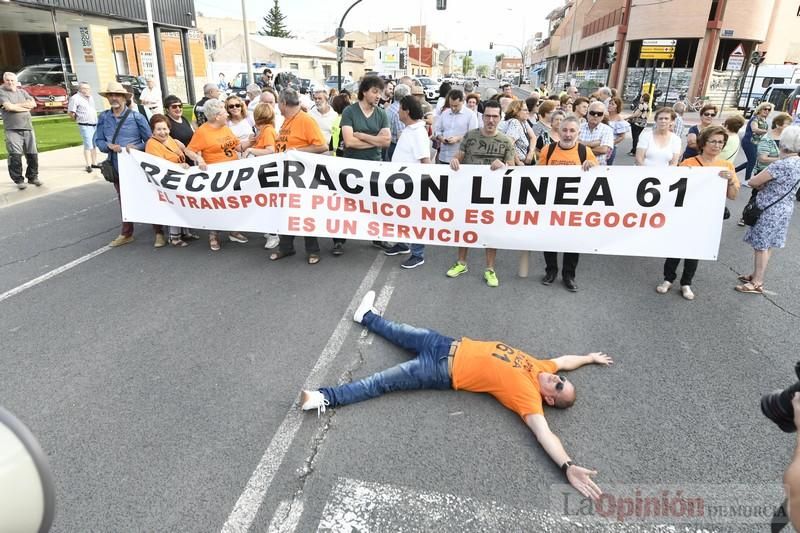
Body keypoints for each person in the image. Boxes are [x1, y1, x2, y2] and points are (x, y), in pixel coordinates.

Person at [300, 290, 612, 502]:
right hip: (445, 343)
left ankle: (324, 398)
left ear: (549, 399)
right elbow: (565, 361)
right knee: (398, 330)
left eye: (558, 386)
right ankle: (366, 317)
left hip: (439, 369)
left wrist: (567, 465)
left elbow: (546, 435)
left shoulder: (528, 397)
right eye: (561, 379)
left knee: (379, 383)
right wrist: (588, 357)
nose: (556, 378)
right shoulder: (541, 367)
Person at [656, 126, 739, 300]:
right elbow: (675, 188)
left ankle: (686, 283)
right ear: (703, 143)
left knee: (695, 250)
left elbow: (733, 196)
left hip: (708, 216)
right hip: (686, 214)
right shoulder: (689, 163)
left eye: (720, 142)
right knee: (676, 248)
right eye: (713, 141)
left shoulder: (726, 166)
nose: (717, 145)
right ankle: (668, 279)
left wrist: (731, 180)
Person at [446, 100, 516, 287]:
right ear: (482, 117)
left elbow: (513, 169)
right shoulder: (470, 136)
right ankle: (461, 263)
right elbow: (458, 157)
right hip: (468, 192)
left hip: (493, 195)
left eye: (495, 116)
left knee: (491, 231)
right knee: (465, 227)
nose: (491, 120)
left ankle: (490, 269)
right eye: (488, 116)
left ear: (500, 118)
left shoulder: (505, 141)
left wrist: (503, 165)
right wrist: (454, 161)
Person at [736, 126, 800, 294]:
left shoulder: (781, 165)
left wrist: (763, 184)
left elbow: (753, 181)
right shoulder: (798, 163)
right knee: (768, 245)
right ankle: (756, 275)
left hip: (768, 209)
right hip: (785, 207)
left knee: (761, 246)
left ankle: (757, 282)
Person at [270, 88, 328, 264]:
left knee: (304, 212)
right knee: (285, 211)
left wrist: (297, 152)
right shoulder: (286, 121)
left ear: (283, 103)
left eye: (278, 103)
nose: (277, 107)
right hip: (285, 175)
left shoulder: (305, 120)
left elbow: (322, 146)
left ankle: (313, 250)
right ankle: (286, 247)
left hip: (301, 176)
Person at [539, 116, 598, 291]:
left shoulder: (585, 152)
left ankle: (569, 275)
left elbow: (597, 178)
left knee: (572, 241)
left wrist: (592, 165)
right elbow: (536, 176)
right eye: (564, 130)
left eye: (572, 130)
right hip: (551, 204)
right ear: (558, 131)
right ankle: (551, 271)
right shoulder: (547, 150)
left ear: (578, 132)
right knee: (549, 239)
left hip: (575, 205)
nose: (568, 134)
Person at [184, 98, 249, 251]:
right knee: (216, 205)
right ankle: (213, 234)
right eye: (224, 112)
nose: (228, 114)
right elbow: (189, 150)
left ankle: (233, 231)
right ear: (216, 116)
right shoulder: (203, 132)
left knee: (233, 203)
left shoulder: (225, 128)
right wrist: (199, 158)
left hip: (232, 172)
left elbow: (237, 147)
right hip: (215, 176)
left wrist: (252, 142)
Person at [94, 81, 152, 247]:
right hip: (116, 165)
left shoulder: (136, 117)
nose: (114, 98)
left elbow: (149, 140)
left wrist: (136, 147)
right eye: (111, 95)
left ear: (124, 98)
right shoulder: (104, 117)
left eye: (117, 95)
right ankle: (127, 233)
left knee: (147, 196)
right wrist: (108, 146)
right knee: (123, 199)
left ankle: (158, 231)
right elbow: (98, 140)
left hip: (135, 165)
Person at [340, 76, 393, 254]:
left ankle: (378, 236)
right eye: (375, 92)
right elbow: (349, 142)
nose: (378, 96)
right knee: (347, 204)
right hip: (352, 166)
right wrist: (375, 140)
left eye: (380, 92)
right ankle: (339, 239)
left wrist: (362, 136)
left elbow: (386, 141)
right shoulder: (349, 111)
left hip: (374, 164)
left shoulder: (381, 113)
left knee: (375, 203)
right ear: (364, 92)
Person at [382, 95, 432, 269]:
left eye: (401, 108)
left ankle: (418, 254)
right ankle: (403, 244)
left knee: (415, 219)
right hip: (401, 184)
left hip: (413, 185)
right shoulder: (410, 129)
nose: (398, 112)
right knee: (402, 216)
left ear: (407, 111)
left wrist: (427, 187)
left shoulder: (418, 132)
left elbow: (426, 161)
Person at [143, 113, 191, 247]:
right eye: (158, 129)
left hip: (178, 176)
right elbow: (159, 166)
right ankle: (174, 237)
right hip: (166, 180)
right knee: (174, 206)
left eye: (165, 129)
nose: (162, 132)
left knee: (183, 204)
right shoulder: (152, 144)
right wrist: (178, 166)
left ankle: (185, 232)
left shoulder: (170, 139)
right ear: (152, 130)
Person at [0, 72, 40, 189]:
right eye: (8, 80)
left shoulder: (22, 92)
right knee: (15, 155)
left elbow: (33, 104)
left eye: (12, 80)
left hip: (28, 127)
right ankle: (18, 180)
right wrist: (24, 106)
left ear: (16, 82)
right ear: (4, 81)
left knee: (32, 154)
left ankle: (33, 177)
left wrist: (17, 106)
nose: (10, 82)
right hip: (12, 129)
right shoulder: (2, 93)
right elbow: (9, 107)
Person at [434, 89, 479, 165]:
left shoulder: (470, 115)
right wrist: (441, 138)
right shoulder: (445, 113)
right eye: (451, 105)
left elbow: (473, 135)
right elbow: (437, 130)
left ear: (463, 102)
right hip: (444, 156)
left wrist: (458, 138)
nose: (453, 108)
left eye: (456, 106)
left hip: (461, 158)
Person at [68, 82, 99, 173]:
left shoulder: (90, 98)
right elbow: (71, 112)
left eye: (88, 88)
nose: (87, 90)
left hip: (93, 124)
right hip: (84, 124)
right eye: (85, 88)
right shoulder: (75, 98)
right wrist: (77, 119)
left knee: (93, 144)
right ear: (80, 89)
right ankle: (88, 165)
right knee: (88, 144)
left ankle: (94, 162)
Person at [737, 102, 773, 179]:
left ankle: (733, 170)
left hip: (756, 143)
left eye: (769, 110)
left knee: (752, 161)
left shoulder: (764, 120)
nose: (767, 111)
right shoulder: (755, 119)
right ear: (760, 109)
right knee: (752, 161)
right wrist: (767, 131)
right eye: (765, 109)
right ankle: (747, 179)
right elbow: (754, 129)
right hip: (749, 142)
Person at [498, 99, 536, 166]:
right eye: (525, 110)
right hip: (516, 164)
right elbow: (509, 144)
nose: (528, 112)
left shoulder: (523, 122)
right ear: (516, 112)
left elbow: (533, 137)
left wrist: (531, 152)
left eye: (527, 109)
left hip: (524, 162)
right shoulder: (515, 122)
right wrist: (518, 162)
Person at [578, 101, 614, 165]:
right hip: (578, 166)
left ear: (603, 116)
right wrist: (592, 144)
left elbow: (603, 150)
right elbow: (572, 146)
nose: (595, 115)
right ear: (587, 113)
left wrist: (581, 146)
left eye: (599, 114)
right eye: (592, 113)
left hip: (598, 168)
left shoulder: (607, 130)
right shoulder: (578, 127)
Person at [386, 84, 411, 160]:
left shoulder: (389, 108)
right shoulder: (399, 111)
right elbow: (401, 135)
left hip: (389, 145)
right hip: (396, 147)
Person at [605, 96, 630, 165]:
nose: (609, 105)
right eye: (609, 103)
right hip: (600, 144)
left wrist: (610, 143)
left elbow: (622, 136)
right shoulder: (604, 116)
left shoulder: (619, 119)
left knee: (607, 166)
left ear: (617, 107)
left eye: (612, 104)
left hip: (611, 147)